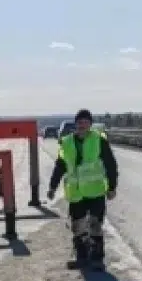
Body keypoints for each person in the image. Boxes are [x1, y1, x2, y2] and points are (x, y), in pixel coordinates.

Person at [47, 109, 119, 270]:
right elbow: (60, 166)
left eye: (86, 122)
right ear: (76, 124)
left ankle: (97, 258)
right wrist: (52, 186)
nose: (83, 125)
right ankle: (81, 256)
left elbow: (110, 164)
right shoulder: (67, 143)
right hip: (76, 193)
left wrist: (112, 187)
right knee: (78, 226)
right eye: (80, 122)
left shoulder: (99, 141)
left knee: (95, 225)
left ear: (90, 125)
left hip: (96, 192)